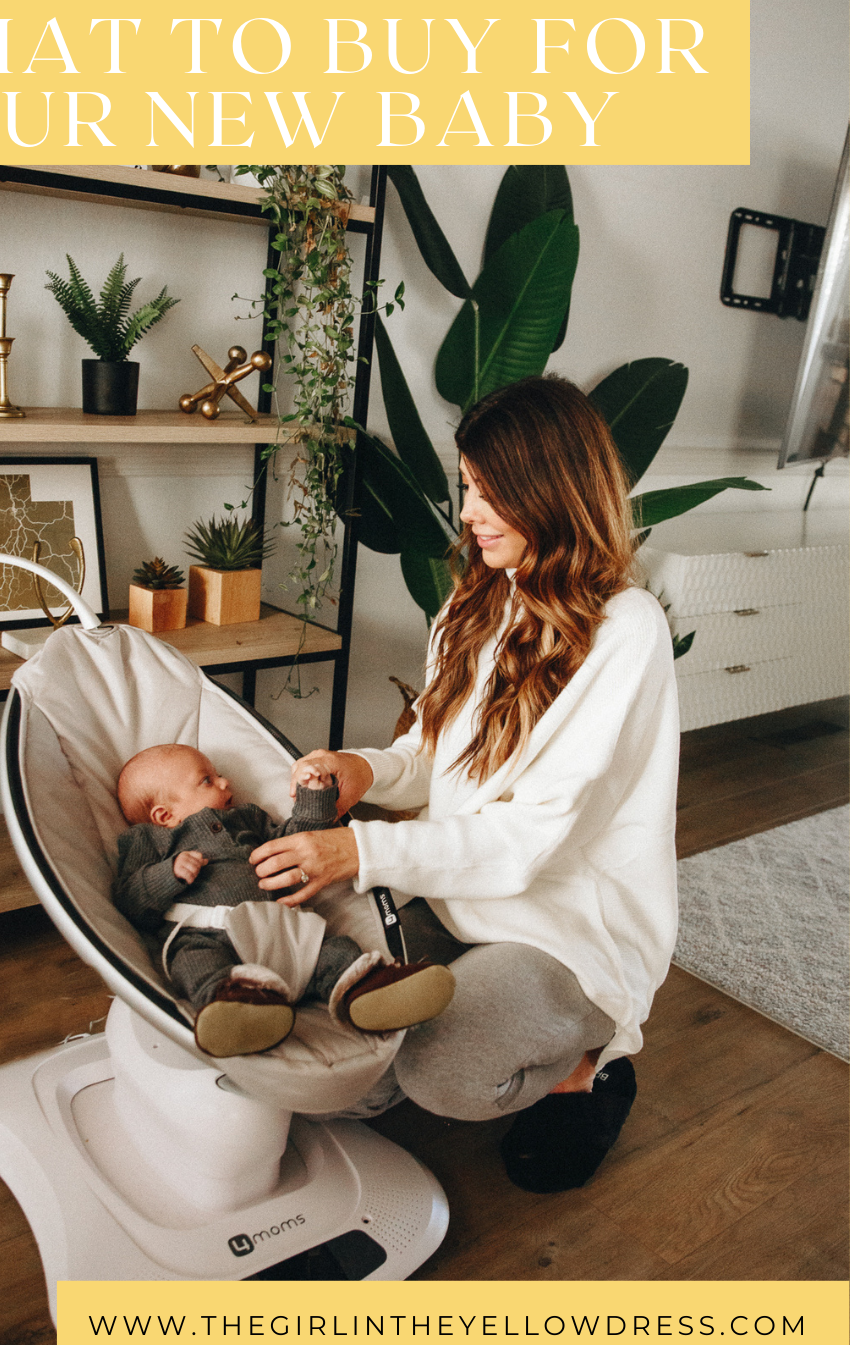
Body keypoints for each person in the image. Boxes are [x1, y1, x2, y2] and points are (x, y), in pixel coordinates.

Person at [248, 375, 679, 1192]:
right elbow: (432, 760)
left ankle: (590, 1065)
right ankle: (490, 1015)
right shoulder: (477, 603)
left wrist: (357, 852)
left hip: (562, 923)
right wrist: (365, 768)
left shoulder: (626, 631)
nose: (471, 511)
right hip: (457, 897)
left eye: (490, 491)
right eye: (467, 486)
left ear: (551, 492)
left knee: (440, 1076)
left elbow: (527, 839)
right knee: (348, 1071)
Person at [113, 743, 455, 1058]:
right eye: (207, 780)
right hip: (206, 934)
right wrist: (168, 874)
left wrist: (314, 795)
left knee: (335, 951)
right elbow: (130, 900)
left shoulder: (248, 818)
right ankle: (238, 1007)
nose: (224, 781)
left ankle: (370, 991)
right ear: (163, 816)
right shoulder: (149, 840)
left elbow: (299, 841)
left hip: (286, 930)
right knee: (192, 962)